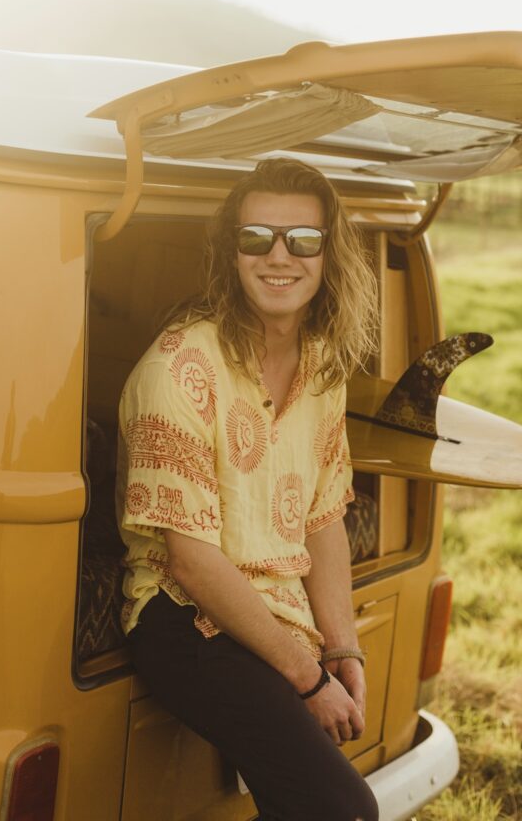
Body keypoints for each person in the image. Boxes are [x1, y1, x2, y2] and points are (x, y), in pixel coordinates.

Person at [116, 157, 380, 821]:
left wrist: (340, 644)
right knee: (339, 810)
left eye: (303, 240)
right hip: (182, 618)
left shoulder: (322, 365)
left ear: (327, 254)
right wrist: (308, 677)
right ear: (230, 252)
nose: (279, 257)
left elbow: (322, 520)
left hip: (275, 611)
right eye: (256, 237)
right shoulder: (177, 369)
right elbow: (191, 562)